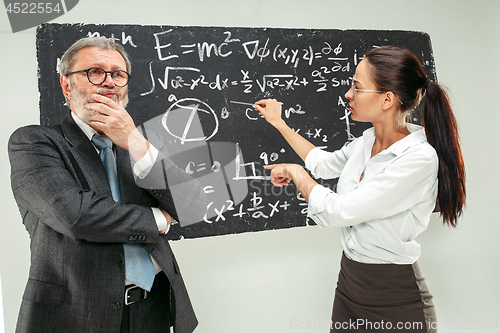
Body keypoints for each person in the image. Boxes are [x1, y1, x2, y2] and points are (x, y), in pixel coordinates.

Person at [254, 46, 465, 332]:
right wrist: (279, 123)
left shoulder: (418, 159)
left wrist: (295, 172)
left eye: (356, 87)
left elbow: (338, 212)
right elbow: (324, 164)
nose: (347, 94)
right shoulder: (365, 142)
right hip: (349, 288)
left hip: (396, 301)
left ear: (387, 99)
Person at [8, 37, 206, 333]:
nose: (109, 82)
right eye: (95, 72)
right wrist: (158, 218)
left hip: (152, 310)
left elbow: (193, 205)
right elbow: (75, 216)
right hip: (75, 315)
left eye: (118, 74)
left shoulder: (140, 144)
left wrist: (135, 142)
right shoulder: (35, 142)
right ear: (66, 85)